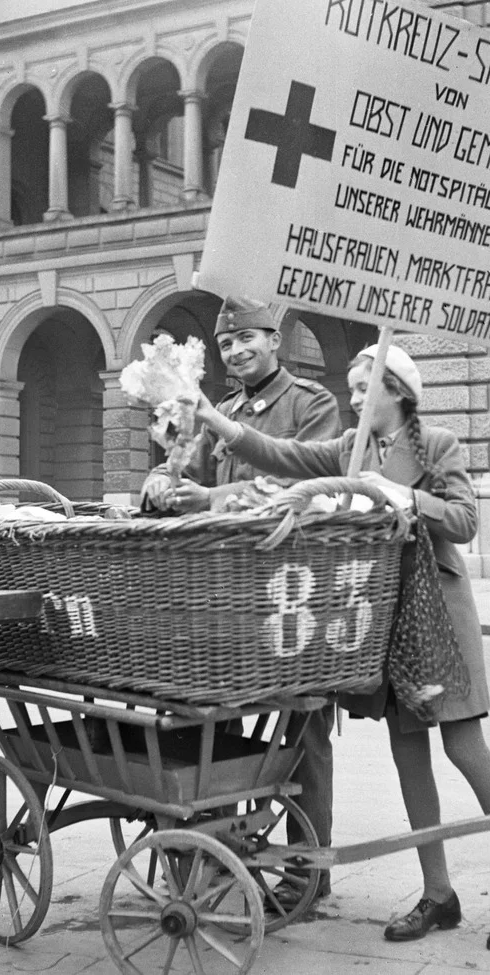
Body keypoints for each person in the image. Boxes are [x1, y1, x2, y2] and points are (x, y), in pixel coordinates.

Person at [194, 342, 490, 952]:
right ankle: (438, 893)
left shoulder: (436, 444)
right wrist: (216, 420)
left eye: (363, 391)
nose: (353, 401)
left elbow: (465, 521)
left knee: (466, 750)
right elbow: (285, 453)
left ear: (396, 393)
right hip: (384, 617)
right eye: (353, 391)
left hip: (440, 617)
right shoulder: (348, 449)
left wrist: (403, 495)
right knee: (409, 757)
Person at [141, 294, 342, 913]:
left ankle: (308, 872)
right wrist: (162, 482)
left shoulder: (314, 405)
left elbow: (295, 484)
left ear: (273, 340)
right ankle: (218, 854)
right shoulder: (218, 409)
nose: (236, 351)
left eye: (247, 339)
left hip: (293, 595)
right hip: (226, 597)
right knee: (214, 727)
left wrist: (208, 499)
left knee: (304, 729)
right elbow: (188, 472)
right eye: (227, 344)